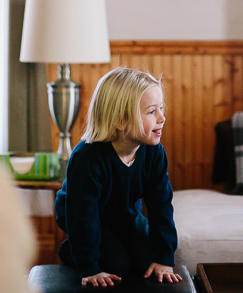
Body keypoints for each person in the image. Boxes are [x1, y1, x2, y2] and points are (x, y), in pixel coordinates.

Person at [54, 67, 182, 288]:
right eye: (151, 112)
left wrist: (164, 258)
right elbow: (83, 215)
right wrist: (90, 267)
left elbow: (161, 205)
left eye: (161, 108)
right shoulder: (87, 157)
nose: (162, 117)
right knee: (117, 264)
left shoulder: (154, 152)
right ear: (120, 121)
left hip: (125, 213)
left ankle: (113, 245)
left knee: (145, 261)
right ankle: (72, 249)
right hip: (83, 214)